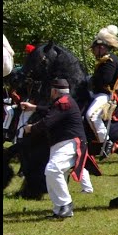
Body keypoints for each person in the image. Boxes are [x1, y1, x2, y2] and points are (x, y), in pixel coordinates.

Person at [21, 78, 88, 219]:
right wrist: (34, 108)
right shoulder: (63, 101)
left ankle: (66, 204)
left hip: (70, 143)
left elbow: (46, 122)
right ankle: (59, 209)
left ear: (55, 91)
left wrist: (30, 128)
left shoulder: (63, 103)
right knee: (54, 174)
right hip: (61, 143)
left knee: (52, 170)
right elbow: (50, 110)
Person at [87, 25, 118, 159]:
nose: (94, 51)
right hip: (98, 94)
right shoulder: (104, 61)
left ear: (102, 47)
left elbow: (105, 80)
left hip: (106, 95)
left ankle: (105, 141)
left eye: (95, 48)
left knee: (91, 115)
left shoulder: (110, 61)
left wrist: (90, 80)